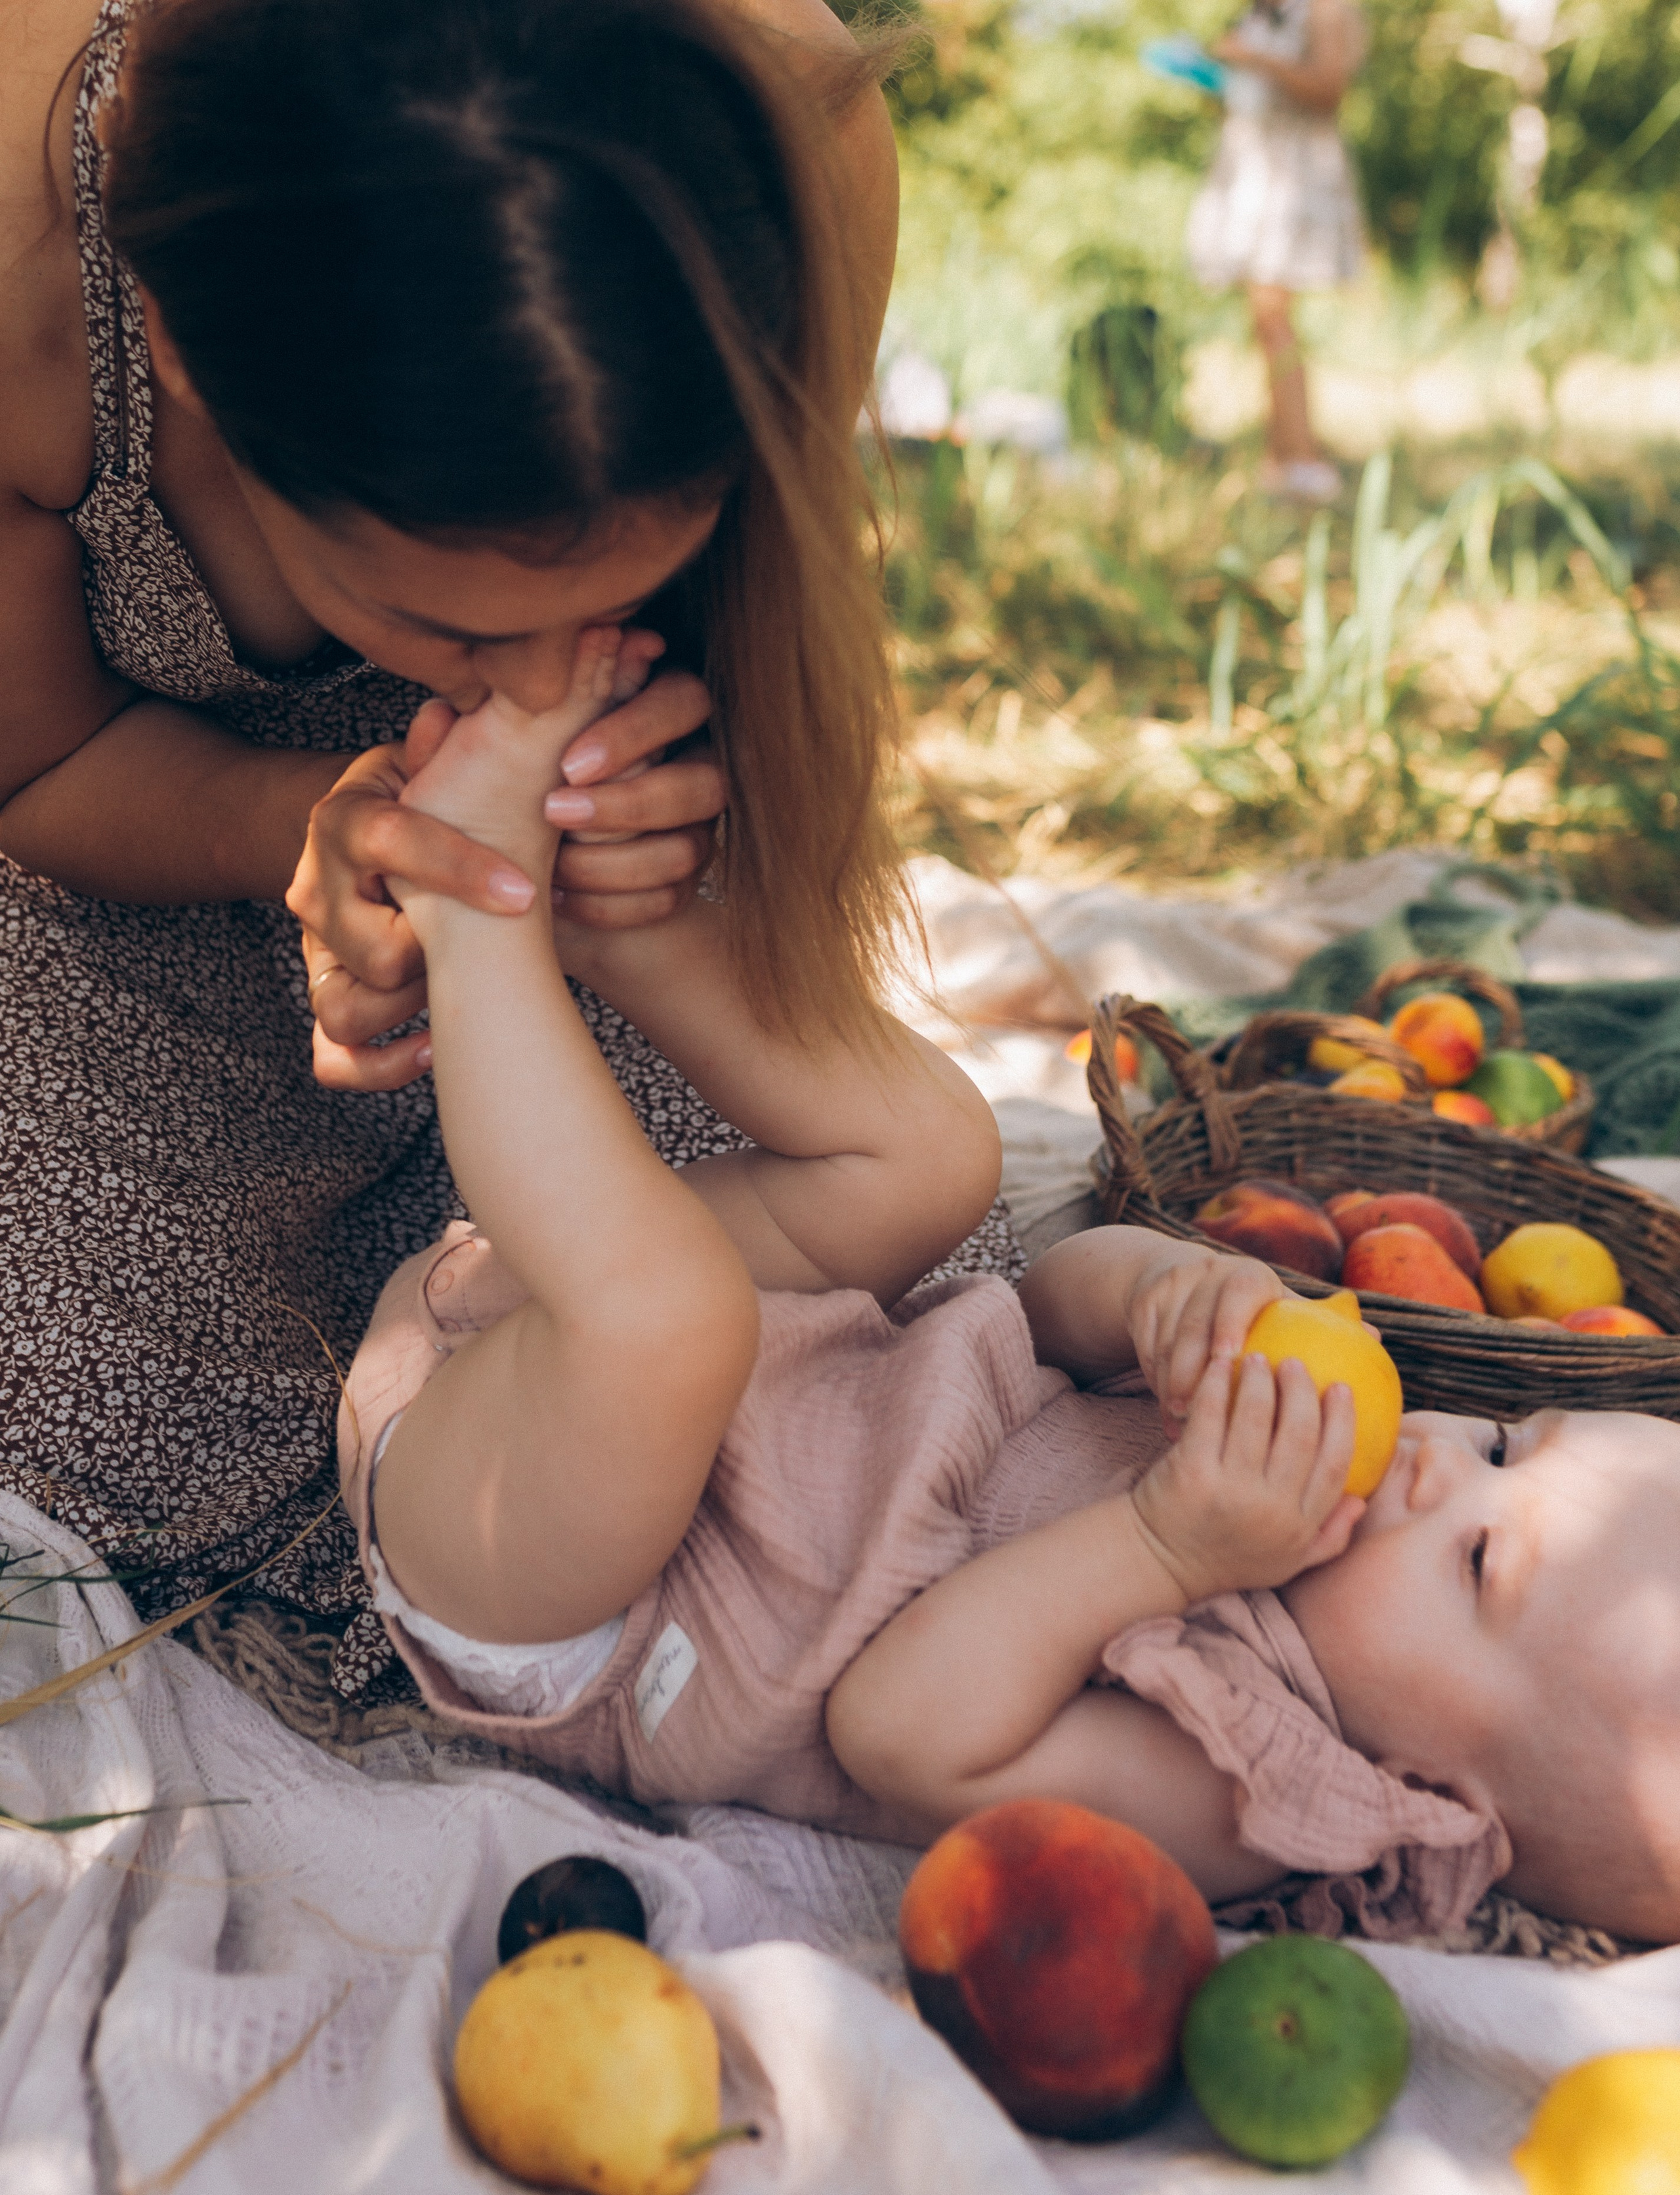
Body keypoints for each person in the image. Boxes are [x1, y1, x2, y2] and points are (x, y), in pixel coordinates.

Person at [341, 632, 1680, 1951]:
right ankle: (597, 910)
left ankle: (476, 910)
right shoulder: (1270, 1454)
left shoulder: (1243, 1790)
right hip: (682, 1369)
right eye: (1503, 1443)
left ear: (1439, 1800)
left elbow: (900, 1724)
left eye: (1480, 1560)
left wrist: (1163, 1543)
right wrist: (1160, 1295)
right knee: (939, 1155)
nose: (1445, 1469)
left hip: (555, 1571)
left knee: (669, 1318)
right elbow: (1033, 1312)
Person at [0, 0, 1013, 1694]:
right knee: (107, 1430)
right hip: (119, 852)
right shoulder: (21, 244)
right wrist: (306, 830)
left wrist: (652, 825)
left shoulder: (789, 135)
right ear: (169, 338)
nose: (543, 677)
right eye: (436, 619)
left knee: (827, 1372)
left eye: (607, 600)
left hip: (609, 901)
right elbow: (39, 762)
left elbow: (763, 649)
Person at [1185, 0, 1368, 504]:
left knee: (1274, 316)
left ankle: (1303, 458)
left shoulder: (1327, 8)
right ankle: (1281, 454)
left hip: (1294, 174)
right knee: (1264, 320)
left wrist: (1251, 58)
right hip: (1253, 167)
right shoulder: (1264, 10)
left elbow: (1329, 91)